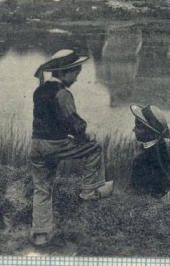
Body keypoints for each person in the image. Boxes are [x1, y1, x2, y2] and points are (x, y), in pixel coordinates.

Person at [29, 49, 114, 246]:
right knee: (95, 148)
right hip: (55, 145)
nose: (76, 78)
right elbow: (73, 124)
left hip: (36, 145)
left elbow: (50, 120)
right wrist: (85, 134)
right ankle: (89, 191)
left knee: (42, 189)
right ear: (65, 73)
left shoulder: (39, 90)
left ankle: (40, 235)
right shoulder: (63, 94)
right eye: (75, 73)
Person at [129, 105, 170, 205]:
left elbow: (137, 193)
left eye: (138, 126)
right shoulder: (161, 146)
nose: (134, 130)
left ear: (149, 132)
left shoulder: (143, 159)